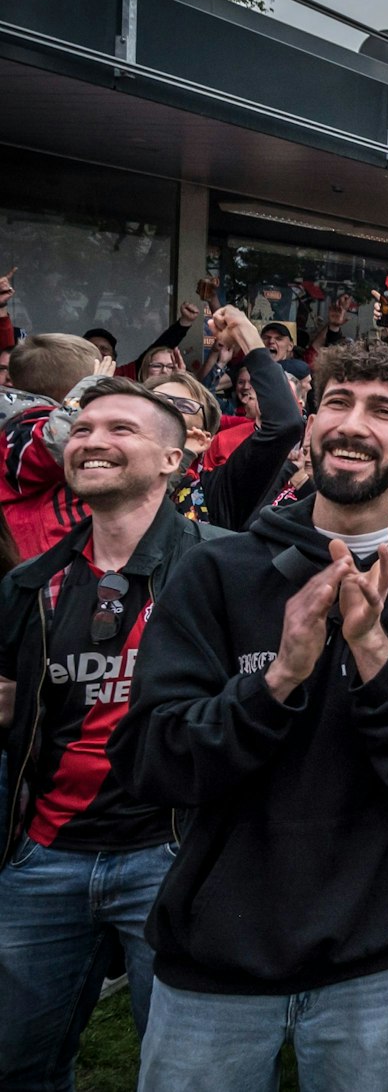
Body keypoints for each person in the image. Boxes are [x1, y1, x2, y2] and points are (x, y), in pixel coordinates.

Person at [108, 341, 388, 1092]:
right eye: (337, 403)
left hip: (381, 960)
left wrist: (373, 651)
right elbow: (152, 761)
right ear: (310, 425)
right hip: (217, 959)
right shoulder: (220, 569)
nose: (352, 425)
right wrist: (278, 680)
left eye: (383, 411)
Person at [0, 380, 209, 1091]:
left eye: (121, 429)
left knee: (182, 1072)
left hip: (170, 853)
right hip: (43, 858)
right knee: (19, 1061)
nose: (91, 440)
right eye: (83, 428)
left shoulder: (224, 568)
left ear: (173, 460)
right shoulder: (31, 585)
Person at [145, 305, 304, 531]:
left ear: (203, 434)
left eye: (183, 405)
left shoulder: (215, 492)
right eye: (158, 399)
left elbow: (284, 423)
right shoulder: (110, 464)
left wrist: (245, 334)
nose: (168, 408)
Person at [0, 332, 101, 559]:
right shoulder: (21, 424)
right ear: (74, 392)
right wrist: (87, 391)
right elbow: (54, 446)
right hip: (34, 555)